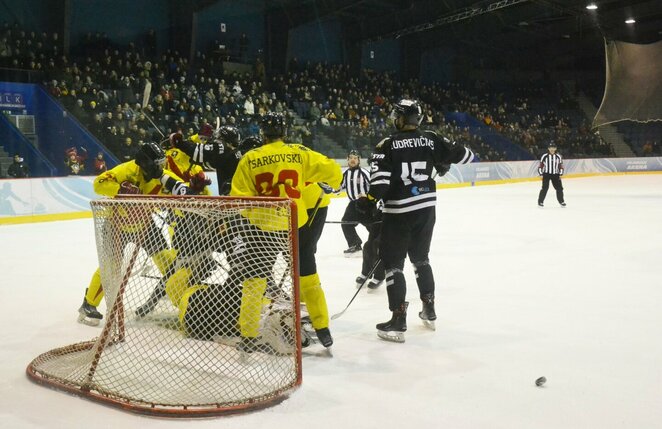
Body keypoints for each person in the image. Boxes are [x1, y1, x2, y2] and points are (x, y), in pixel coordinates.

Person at [358, 99, 475, 343]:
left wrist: (368, 202)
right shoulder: (432, 138)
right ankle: (429, 309)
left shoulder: (387, 144)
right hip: (426, 210)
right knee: (421, 259)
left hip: (398, 213)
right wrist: (443, 162)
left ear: (401, 118)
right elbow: (467, 156)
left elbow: (379, 184)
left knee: (394, 265)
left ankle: (398, 320)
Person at [230, 112, 342, 351]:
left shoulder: (250, 158)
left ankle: (248, 336)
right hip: (295, 223)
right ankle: (322, 329)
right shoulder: (298, 152)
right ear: (284, 132)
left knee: (254, 281)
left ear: (262, 133)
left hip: (262, 226)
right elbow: (334, 171)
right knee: (307, 276)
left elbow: (238, 198)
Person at [77, 142, 194, 325]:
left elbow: (183, 191)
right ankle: (88, 304)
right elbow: (98, 184)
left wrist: (191, 189)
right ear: (146, 163)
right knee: (110, 268)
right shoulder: (127, 170)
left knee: (168, 262)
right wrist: (120, 190)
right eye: (158, 163)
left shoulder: (161, 176)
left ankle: (185, 303)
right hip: (116, 226)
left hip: (145, 225)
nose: (162, 168)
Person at [339, 150, 371, 256]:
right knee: (346, 223)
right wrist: (329, 189)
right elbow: (339, 187)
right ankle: (355, 245)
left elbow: (374, 186)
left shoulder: (364, 172)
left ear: (359, 160)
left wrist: (370, 199)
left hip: (365, 204)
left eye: (355, 158)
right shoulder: (345, 174)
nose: (353, 160)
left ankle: (383, 243)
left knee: (372, 226)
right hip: (353, 204)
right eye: (351, 157)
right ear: (347, 159)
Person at [538, 142, 566, 207]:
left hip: (556, 175)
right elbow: (541, 166)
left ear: (555, 148)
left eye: (553, 148)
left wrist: (561, 174)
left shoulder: (558, 157)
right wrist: (541, 174)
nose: (552, 149)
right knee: (545, 188)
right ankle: (540, 202)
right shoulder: (544, 156)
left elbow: (560, 166)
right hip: (546, 174)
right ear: (548, 148)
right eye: (550, 148)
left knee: (559, 188)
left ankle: (561, 201)